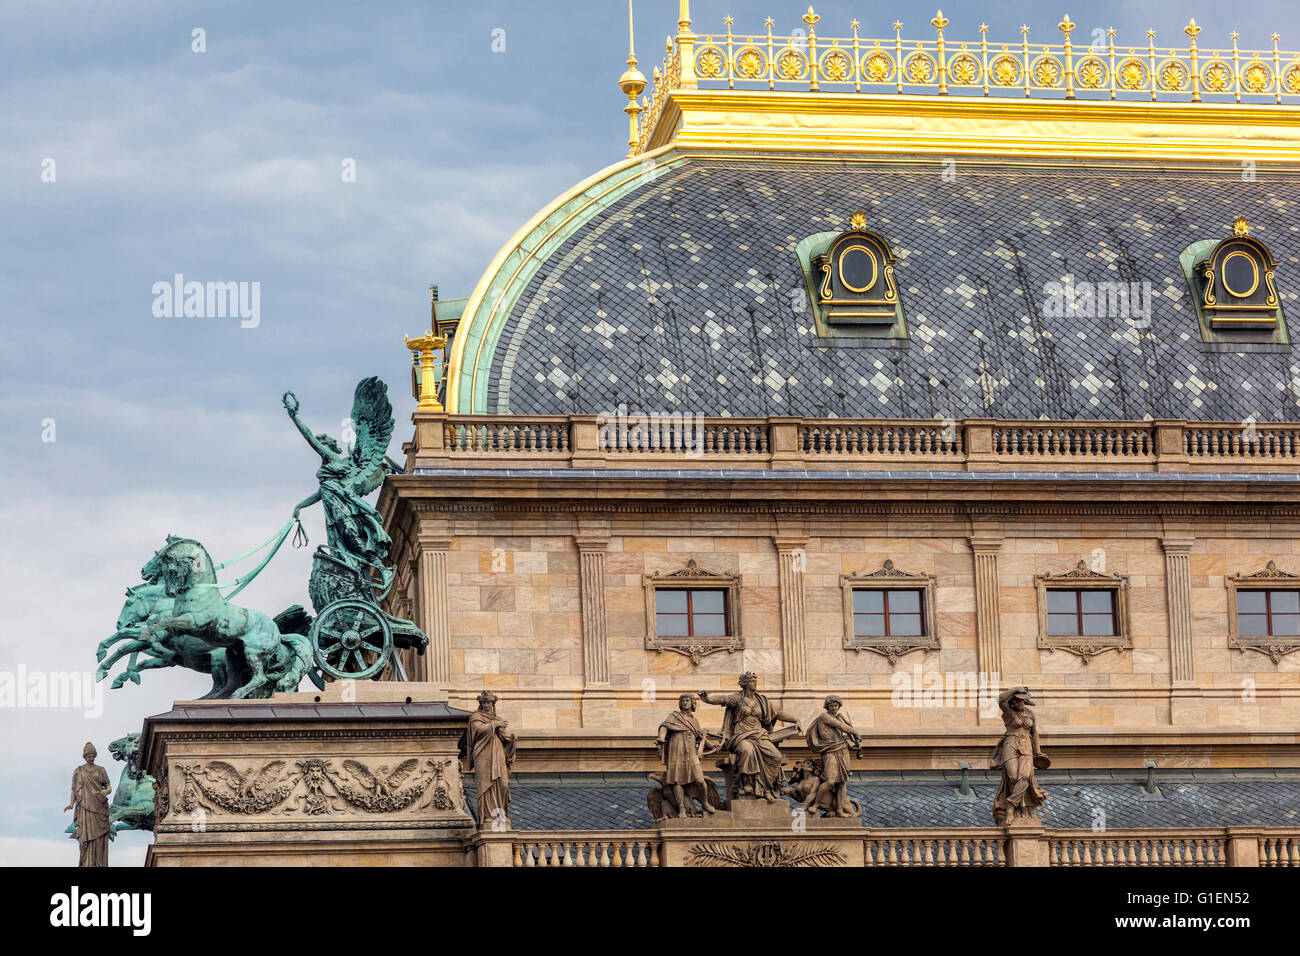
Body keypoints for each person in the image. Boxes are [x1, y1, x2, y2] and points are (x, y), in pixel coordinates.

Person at [699, 672, 800, 801]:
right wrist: (707, 699)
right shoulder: (737, 699)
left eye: (755, 680)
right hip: (741, 736)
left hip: (759, 735)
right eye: (752, 681)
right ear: (744, 684)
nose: (755, 683)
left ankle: (767, 788)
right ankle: (747, 784)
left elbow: (778, 713)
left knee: (776, 756)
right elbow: (722, 699)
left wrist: (795, 720)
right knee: (747, 750)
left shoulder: (762, 700)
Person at [991, 686, 1049, 825]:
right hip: (1010, 744)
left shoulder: (1030, 714)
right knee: (1012, 776)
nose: (1020, 703)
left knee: (1024, 777)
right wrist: (1016, 689)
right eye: (1017, 701)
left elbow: (1034, 734)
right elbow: (999, 699)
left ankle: (1010, 808)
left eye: (1022, 701)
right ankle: (1015, 806)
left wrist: (1038, 751)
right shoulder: (1009, 713)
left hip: (1027, 746)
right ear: (1013, 703)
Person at [460, 691, 517, 829]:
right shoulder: (476, 717)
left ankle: (499, 817)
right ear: (480, 703)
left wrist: (512, 741)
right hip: (483, 754)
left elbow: (504, 737)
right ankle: (487, 818)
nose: (486, 705)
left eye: (488, 702)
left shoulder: (497, 719)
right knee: (486, 785)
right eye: (484, 702)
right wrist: (494, 725)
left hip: (498, 754)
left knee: (503, 785)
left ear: (493, 703)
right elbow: (477, 730)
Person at [656, 693, 714, 817]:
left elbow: (699, 735)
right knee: (677, 781)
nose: (684, 703)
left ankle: (704, 802)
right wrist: (661, 737)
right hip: (676, 750)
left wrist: (713, 746)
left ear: (693, 703)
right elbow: (664, 726)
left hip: (691, 753)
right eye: (682, 701)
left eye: (687, 700)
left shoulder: (694, 720)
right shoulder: (674, 716)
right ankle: (682, 810)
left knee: (700, 780)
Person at [804, 695, 861, 817]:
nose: (834, 708)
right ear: (827, 706)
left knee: (841, 782)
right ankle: (816, 805)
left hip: (842, 750)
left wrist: (853, 746)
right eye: (831, 705)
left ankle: (839, 810)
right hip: (830, 751)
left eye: (836, 705)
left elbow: (841, 735)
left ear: (839, 706)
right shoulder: (824, 717)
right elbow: (841, 727)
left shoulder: (839, 717)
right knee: (830, 781)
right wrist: (855, 732)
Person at [65, 742, 111, 867]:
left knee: (99, 838)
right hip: (85, 808)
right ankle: (87, 863)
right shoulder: (79, 771)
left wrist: (105, 791)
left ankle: (99, 862)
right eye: (89, 756)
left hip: (99, 805)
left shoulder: (101, 770)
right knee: (86, 838)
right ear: (85, 757)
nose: (91, 758)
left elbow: (108, 786)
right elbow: (74, 790)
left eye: (93, 756)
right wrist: (71, 804)